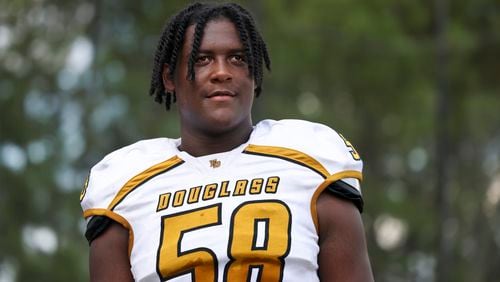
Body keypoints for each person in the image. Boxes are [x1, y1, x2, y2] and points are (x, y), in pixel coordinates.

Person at [80, 2, 374, 281]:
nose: (221, 72)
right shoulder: (124, 186)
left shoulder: (312, 160)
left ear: (255, 74)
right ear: (170, 77)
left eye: (237, 58)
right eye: (202, 59)